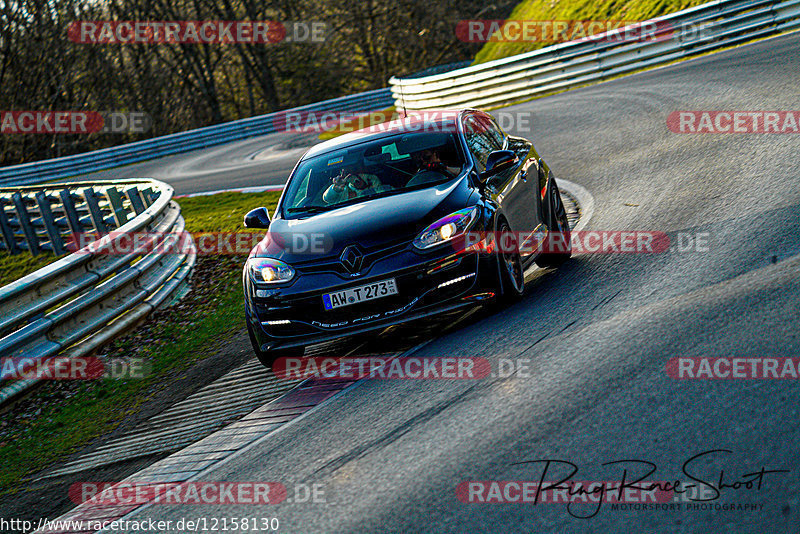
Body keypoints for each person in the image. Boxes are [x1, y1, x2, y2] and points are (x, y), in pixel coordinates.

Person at [322, 163, 390, 204]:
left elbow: (383, 196)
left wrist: (366, 186)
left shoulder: (371, 179)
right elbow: (327, 198)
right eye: (348, 173)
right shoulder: (342, 191)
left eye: (355, 170)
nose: (356, 176)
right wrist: (335, 189)